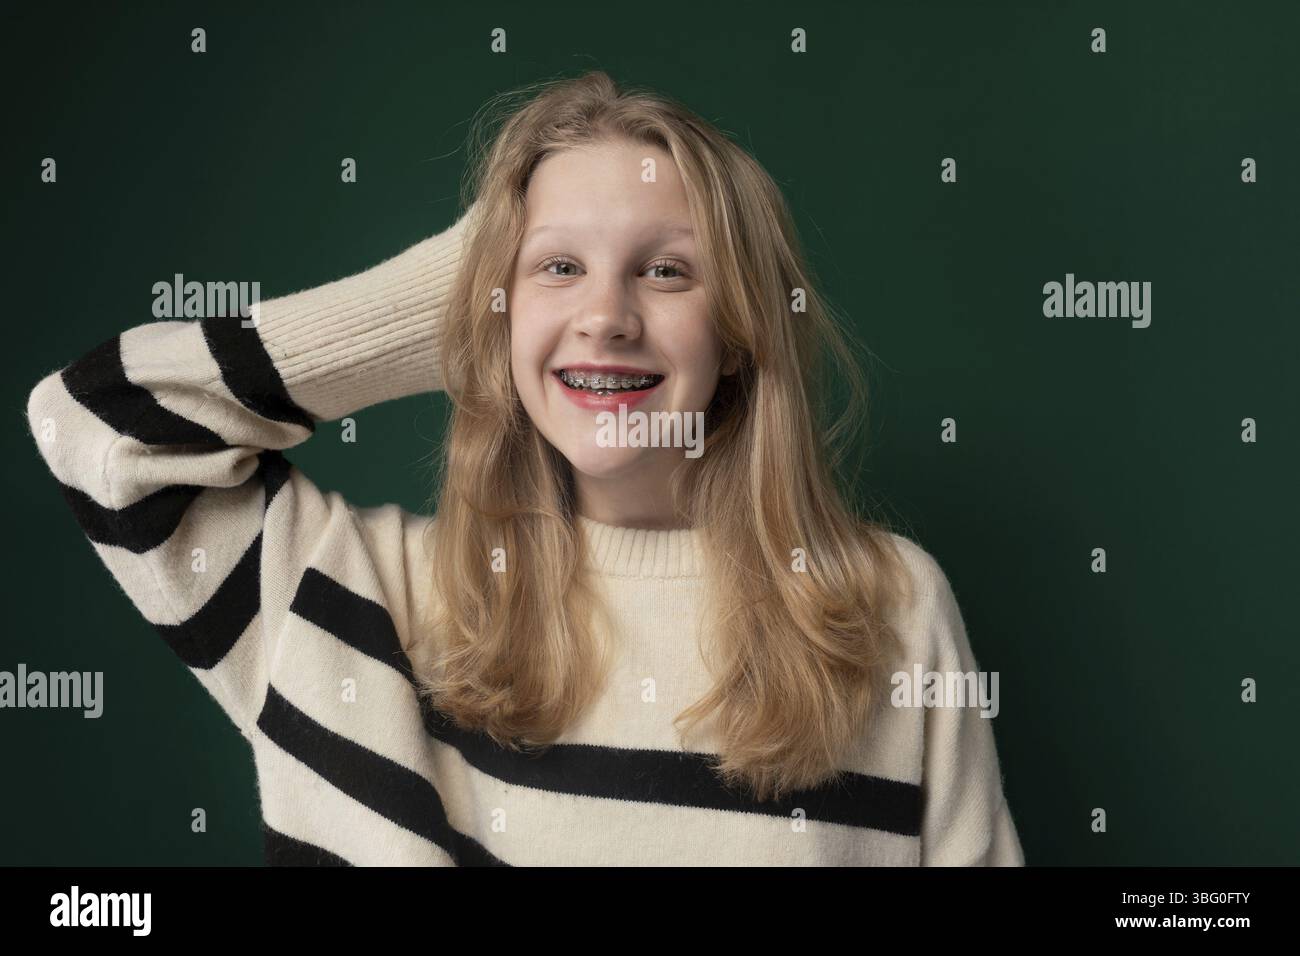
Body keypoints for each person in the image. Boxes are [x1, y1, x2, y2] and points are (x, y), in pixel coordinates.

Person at [25, 70, 1024, 865]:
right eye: (557, 266)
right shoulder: (354, 595)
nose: (606, 314)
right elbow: (95, 422)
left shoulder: (885, 604)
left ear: (739, 332)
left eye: (666, 268)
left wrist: (536, 288)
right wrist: (452, 307)